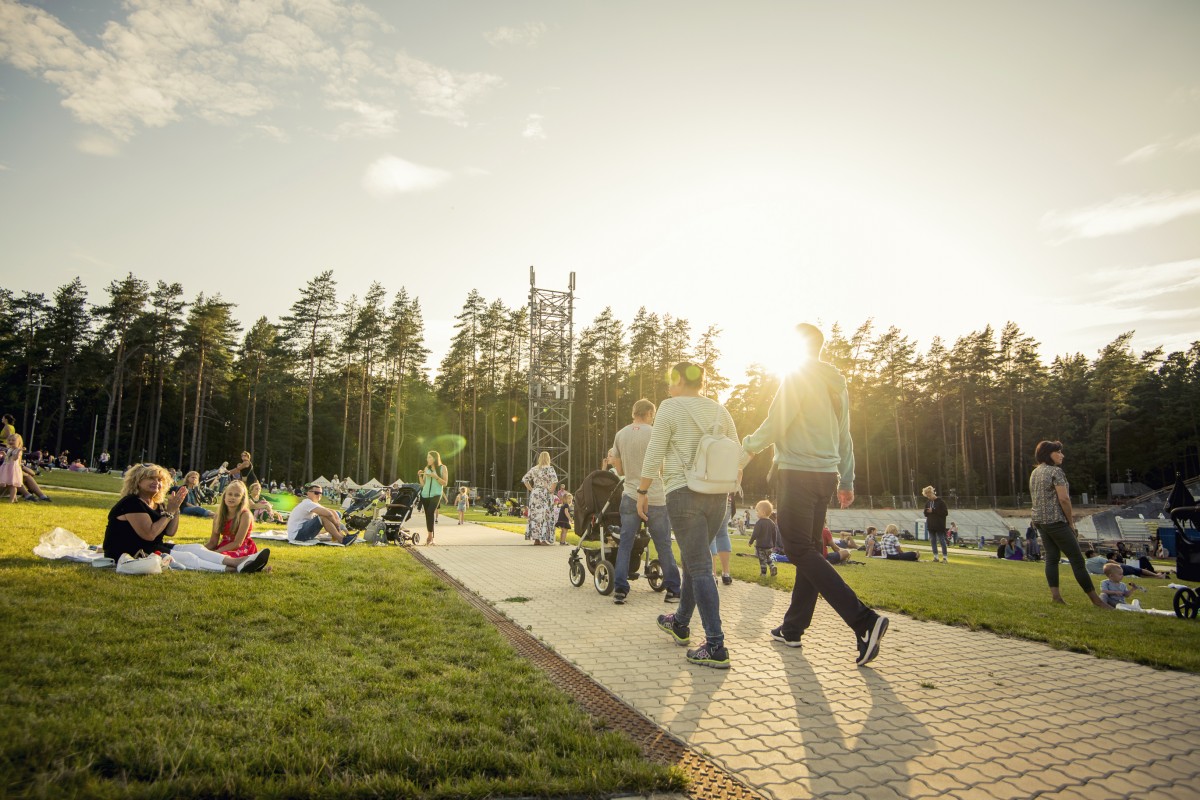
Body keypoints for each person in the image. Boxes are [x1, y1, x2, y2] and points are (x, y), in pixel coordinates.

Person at [741, 325, 889, 666]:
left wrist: (747, 449)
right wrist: (846, 479)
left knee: (796, 549)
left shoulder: (797, 377)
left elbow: (776, 422)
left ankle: (864, 620)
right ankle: (793, 628)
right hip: (826, 475)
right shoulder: (835, 383)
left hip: (797, 472)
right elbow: (844, 435)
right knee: (810, 548)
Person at [641, 362, 739, 669]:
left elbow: (654, 452)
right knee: (697, 562)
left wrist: (641, 492)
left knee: (698, 567)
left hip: (683, 493)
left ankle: (715, 645)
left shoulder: (670, 408)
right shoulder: (720, 411)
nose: (668, 385)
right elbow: (736, 452)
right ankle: (680, 622)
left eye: (671, 379)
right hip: (717, 496)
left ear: (682, 380)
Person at [103, 464, 270, 573]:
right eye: (150, 478)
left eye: (159, 479)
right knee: (190, 558)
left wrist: (175, 510)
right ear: (137, 481)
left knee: (196, 548)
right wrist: (170, 512)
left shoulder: (156, 502)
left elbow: (170, 531)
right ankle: (234, 568)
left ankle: (241, 561)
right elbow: (149, 534)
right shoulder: (132, 502)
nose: (156, 483)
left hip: (153, 546)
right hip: (131, 551)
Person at [610, 398, 682, 604]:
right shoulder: (655, 433)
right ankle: (673, 590)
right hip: (656, 496)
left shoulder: (620, 435)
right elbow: (662, 468)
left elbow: (620, 470)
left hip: (630, 494)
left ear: (634, 413)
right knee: (663, 544)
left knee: (625, 543)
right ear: (650, 413)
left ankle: (621, 589)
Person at [1029, 440, 1109, 609]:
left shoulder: (1035, 472)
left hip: (1040, 521)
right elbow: (1064, 499)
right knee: (1077, 560)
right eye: (1058, 452)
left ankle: (1056, 597)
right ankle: (1097, 601)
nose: (1062, 455)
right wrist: (1071, 523)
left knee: (1051, 558)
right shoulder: (1056, 472)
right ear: (1048, 454)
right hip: (1056, 521)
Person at [287, 483, 356, 545]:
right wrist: (337, 525)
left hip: (303, 530)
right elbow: (329, 514)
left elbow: (331, 511)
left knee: (337, 513)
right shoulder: (307, 503)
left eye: (320, 493)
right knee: (323, 517)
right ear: (308, 493)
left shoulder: (314, 503)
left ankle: (340, 536)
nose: (319, 495)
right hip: (297, 535)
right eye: (316, 493)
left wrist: (337, 518)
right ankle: (342, 539)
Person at [206, 480, 259, 559]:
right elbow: (213, 542)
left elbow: (237, 543)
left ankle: (247, 564)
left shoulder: (245, 515)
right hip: (224, 546)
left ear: (242, 499)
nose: (232, 497)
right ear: (224, 497)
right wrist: (201, 550)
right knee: (206, 556)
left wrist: (216, 552)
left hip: (242, 548)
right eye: (230, 494)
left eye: (237, 495)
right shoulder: (218, 516)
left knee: (219, 558)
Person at [522, 451, 558, 545]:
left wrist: (531, 489)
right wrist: (551, 490)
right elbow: (555, 481)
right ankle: (543, 539)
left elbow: (525, 479)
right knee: (545, 516)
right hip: (545, 494)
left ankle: (536, 539)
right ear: (548, 458)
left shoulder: (534, 469)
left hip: (535, 494)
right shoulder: (550, 469)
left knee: (535, 516)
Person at [417, 451, 448, 545]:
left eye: (429, 457)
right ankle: (431, 537)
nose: (427, 459)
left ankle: (430, 537)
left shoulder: (443, 468)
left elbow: (445, 483)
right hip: (425, 494)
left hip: (436, 494)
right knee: (428, 515)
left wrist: (436, 477)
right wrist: (419, 476)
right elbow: (423, 484)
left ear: (434, 458)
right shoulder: (426, 468)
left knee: (430, 512)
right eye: (427, 457)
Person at [747, 499, 780, 577]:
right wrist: (774, 544)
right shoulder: (772, 523)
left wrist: (751, 541)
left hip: (760, 546)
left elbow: (755, 534)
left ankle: (763, 574)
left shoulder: (759, 523)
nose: (756, 513)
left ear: (763, 512)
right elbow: (774, 534)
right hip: (769, 546)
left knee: (762, 560)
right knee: (768, 558)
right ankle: (772, 566)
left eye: (757, 511)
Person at [711, 494, 735, 586]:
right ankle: (726, 574)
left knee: (711, 533)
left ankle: (712, 574)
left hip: (710, 495)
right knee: (722, 533)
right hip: (727, 496)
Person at [922, 486, 949, 563]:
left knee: (942, 540)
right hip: (931, 525)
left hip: (939, 525)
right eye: (927, 496)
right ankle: (936, 557)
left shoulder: (941, 502)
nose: (928, 497)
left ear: (932, 492)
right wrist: (926, 511)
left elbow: (945, 513)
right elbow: (925, 514)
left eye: (929, 495)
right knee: (933, 541)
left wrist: (933, 510)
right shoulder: (928, 503)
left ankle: (945, 558)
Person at [1, 433, 25, 503]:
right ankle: (15, 499)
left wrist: (19, 451)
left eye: (13, 440)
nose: (11, 442)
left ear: (18, 442)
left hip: (13, 469)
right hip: (7, 468)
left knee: (13, 485)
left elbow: (15, 458)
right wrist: (4, 454)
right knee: (9, 484)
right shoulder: (9, 449)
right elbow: (7, 459)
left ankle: (11, 500)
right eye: (9, 440)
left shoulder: (18, 450)